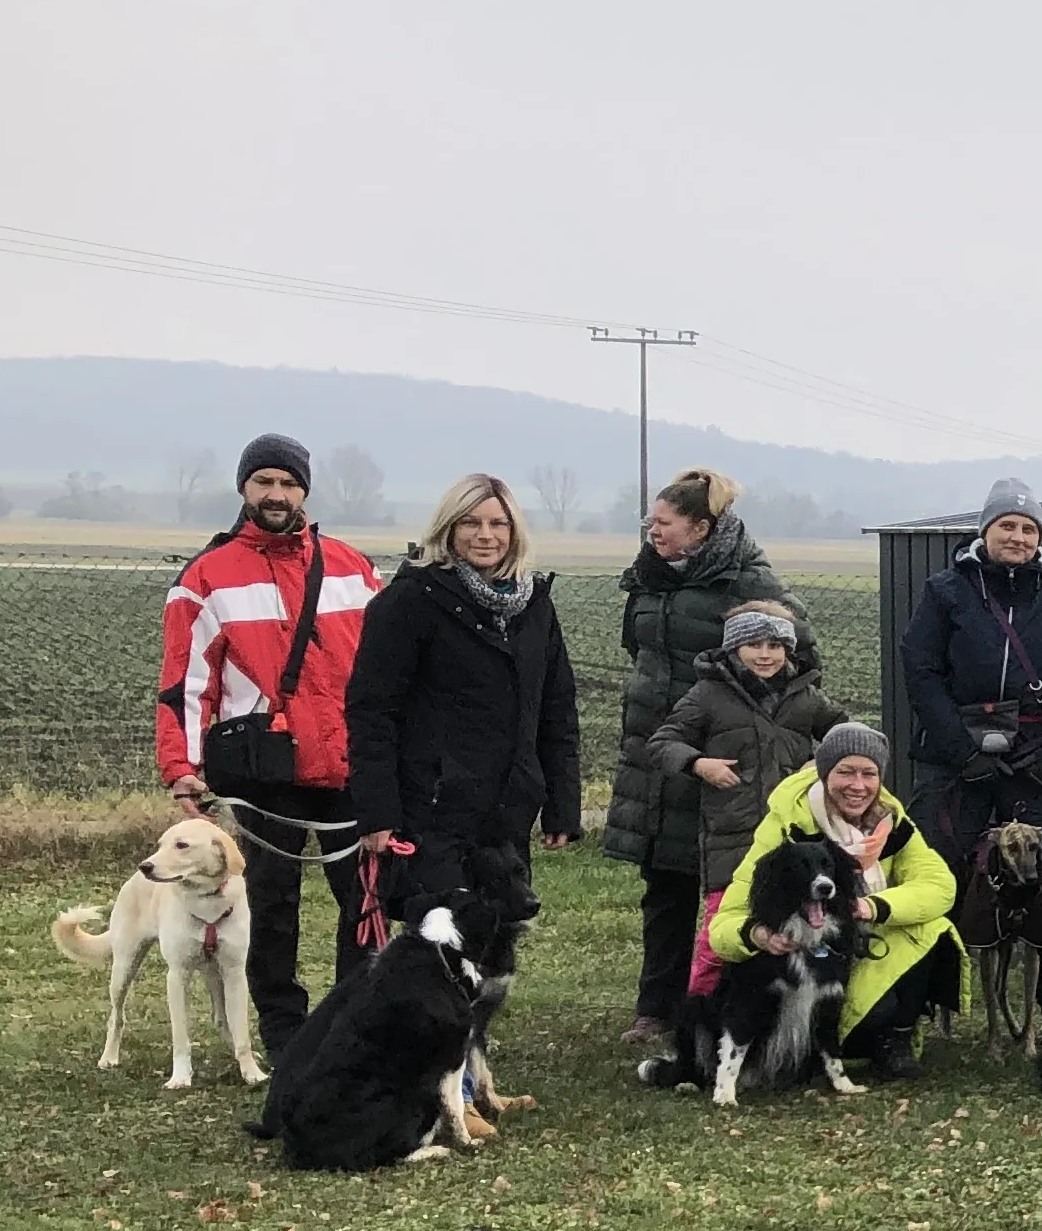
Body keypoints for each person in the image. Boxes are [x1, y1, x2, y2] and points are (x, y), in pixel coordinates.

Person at [155, 434, 385, 1053]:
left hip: (348, 764)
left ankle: (350, 1030)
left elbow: (389, 672)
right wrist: (181, 767)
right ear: (244, 488)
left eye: (288, 483)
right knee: (269, 907)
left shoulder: (353, 568)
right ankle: (285, 1036)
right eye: (264, 482)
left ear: (304, 490)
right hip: (263, 769)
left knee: (365, 904)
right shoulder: (206, 577)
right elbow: (185, 683)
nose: (276, 494)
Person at [900, 479, 1042, 1048]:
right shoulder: (945, 593)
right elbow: (921, 672)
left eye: (1028, 528)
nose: (1017, 537)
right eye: (1006, 526)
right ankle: (917, 1009)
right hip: (953, 764)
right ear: (985, 532)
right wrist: (961, 751)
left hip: (1040, 764)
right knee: (939, 879)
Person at [341, 473, 583, 946]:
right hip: (432, 809)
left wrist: (562, 805)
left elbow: (556, 710)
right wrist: (377, 812)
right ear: (448, 529)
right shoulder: (410, 600)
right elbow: (372, 711)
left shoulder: (535, 607)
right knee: (434, 947)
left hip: (507, 812)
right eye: (470, 523)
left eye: (498, 524)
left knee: (494, 945)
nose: (485, 535)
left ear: (514, 531)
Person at [598, 467, 792, 1047]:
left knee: (720, 885)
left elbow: (793, 654)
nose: (652, 532)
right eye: (650, 522)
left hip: (720, 754)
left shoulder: (749, 581)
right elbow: (638, 650)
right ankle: (655, 1007)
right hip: (656, 749)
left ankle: (719, 1000)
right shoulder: (648, 579)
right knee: (663, 883)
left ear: (701, 529)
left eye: (664, 522)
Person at [707, 723, 962, 1079]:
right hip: (805, 963)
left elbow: (940, 886)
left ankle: (895, 1039)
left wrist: (872, 907)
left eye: (869, 774)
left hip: (862, 946)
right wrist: (756, 934)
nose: (858, 785)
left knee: (934, 927)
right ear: (825, 773)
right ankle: (803, 1048)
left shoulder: (892, 822)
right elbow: (724, 923)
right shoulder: (786, 827)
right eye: (845, 772)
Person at [641, 600, 853, 1006]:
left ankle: (784, 1009)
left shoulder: (806, 696)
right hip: (731, 836)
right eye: (754, 645)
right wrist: (698, 763)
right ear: (734, 648)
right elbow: (663, 742)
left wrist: (823, 762)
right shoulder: (708, 694)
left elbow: (845, 733)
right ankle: (700, 1009)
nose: (765, 654)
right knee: (721, 928)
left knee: (791, 928)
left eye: (775, 646)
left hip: (792, 839)